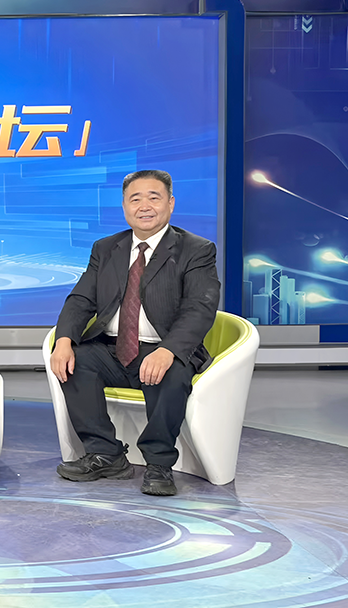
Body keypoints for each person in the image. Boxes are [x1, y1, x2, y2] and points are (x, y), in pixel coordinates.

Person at [50, 170, 220, 496]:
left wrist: (168, 350)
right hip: (111, 348)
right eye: (135, 199)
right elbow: (81, 299)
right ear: (125, 206)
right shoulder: (106, 248)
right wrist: (64, 340)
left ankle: (159, 464)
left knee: (170, 373)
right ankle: (106, 454)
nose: (144, 206)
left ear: (170, 203)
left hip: (164, 347)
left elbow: (199, 308)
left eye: (154, 198)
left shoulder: (196, 250)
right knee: (75, 363)